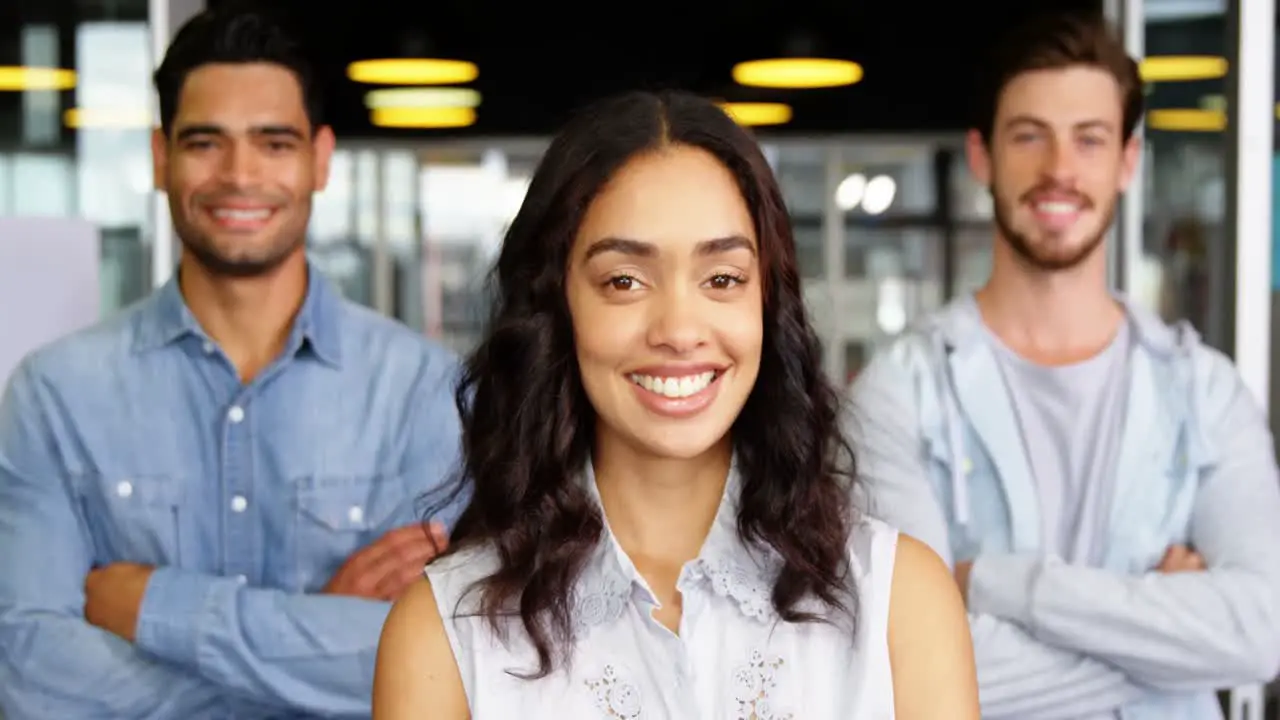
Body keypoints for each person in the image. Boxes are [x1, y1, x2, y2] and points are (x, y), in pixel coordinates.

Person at [371, 90, 979, 719]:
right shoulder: (444, 632)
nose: (679, 330)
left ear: (767, 305)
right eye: (624, 281)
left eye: (722, 279)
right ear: (556, 310)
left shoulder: (898, 601)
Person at [0, 4, 463, 719]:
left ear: (320, 159)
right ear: (161, 157)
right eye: (205, 143)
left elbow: (457, 661)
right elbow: (29, 668)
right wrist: (312, 639)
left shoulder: (426, 392)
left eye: (274, 143)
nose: (239, 175)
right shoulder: (54, 393)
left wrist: (157, 609)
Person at [848, 12, 1280, 720]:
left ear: (1128, 161)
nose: (1059, 171)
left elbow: (1260, 632)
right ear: (982, 155)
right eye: (1029, 136)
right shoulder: (897, 395)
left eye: (1089, 139)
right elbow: (904, 666)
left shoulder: (1206, 391)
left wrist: (997, 586)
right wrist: (1168, 643)